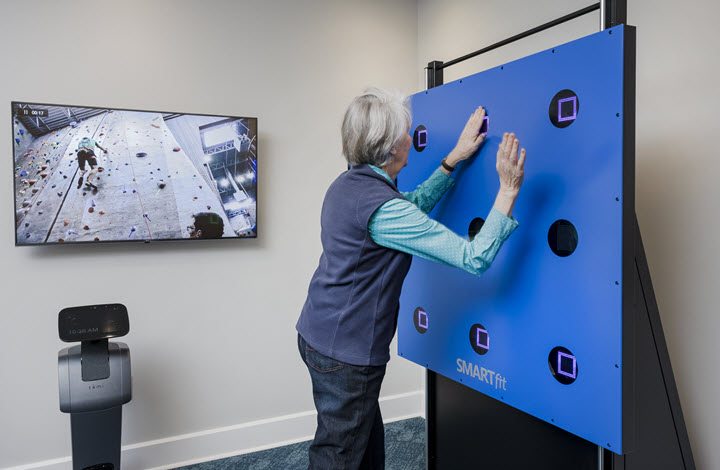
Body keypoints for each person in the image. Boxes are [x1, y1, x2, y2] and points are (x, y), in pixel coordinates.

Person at [296, 87, 526, 470]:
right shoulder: (382, 207)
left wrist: (452, 160)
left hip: (319, 334)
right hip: (346, 354)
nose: (410, 137)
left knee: (363, 445)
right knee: (339, 456)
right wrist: (508, 189)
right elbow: (474, 257)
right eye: (405, 132)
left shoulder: (350, 185)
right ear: (389, 148)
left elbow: (408, 209)